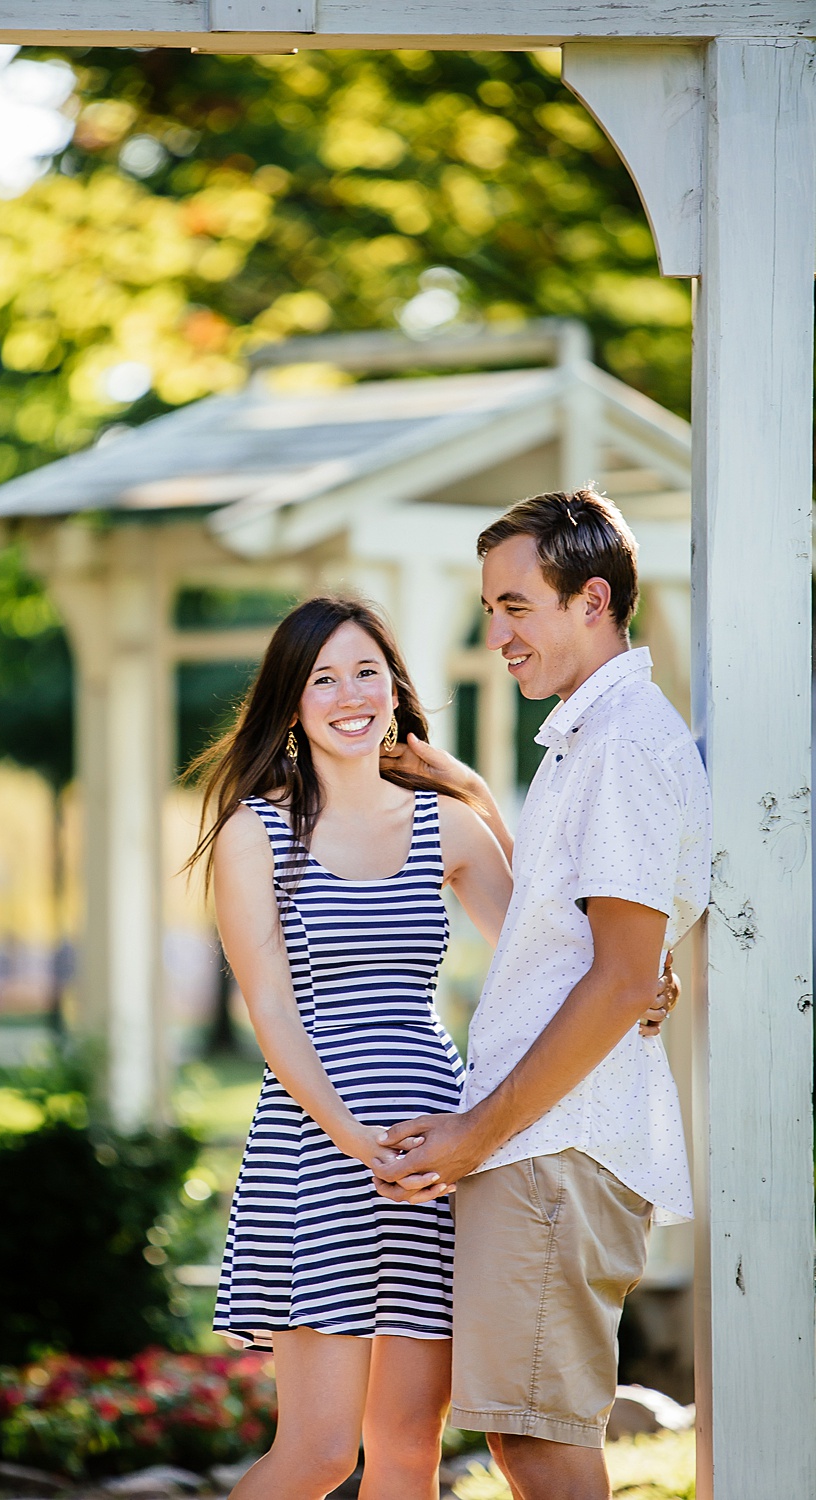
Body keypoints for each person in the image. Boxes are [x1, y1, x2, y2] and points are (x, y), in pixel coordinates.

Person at [186, 590, 676, 1500]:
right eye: (323, 677)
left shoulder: (443, 824)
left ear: (395, 686)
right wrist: (352, 1138)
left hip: (435, 1154)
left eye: (366, 670)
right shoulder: (254, 834)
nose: (349, 694)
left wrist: (643, 976)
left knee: (410, 1450)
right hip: (319, 1152)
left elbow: (553, 949)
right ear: (291, 702)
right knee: (322, 1452)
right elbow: (274, 1017)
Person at [373, 489, 711, 1500]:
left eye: (517, 606)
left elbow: (616, 982)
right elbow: (575, 944)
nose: (499, 634)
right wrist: (474, 798)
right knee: (528, 1436)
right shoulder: (591, 739)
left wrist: (475, 1133)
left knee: (538, 1443)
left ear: (591, 601)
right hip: (547, 1147)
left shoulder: (617, 749)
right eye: (490, 609)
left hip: (552, 1150)